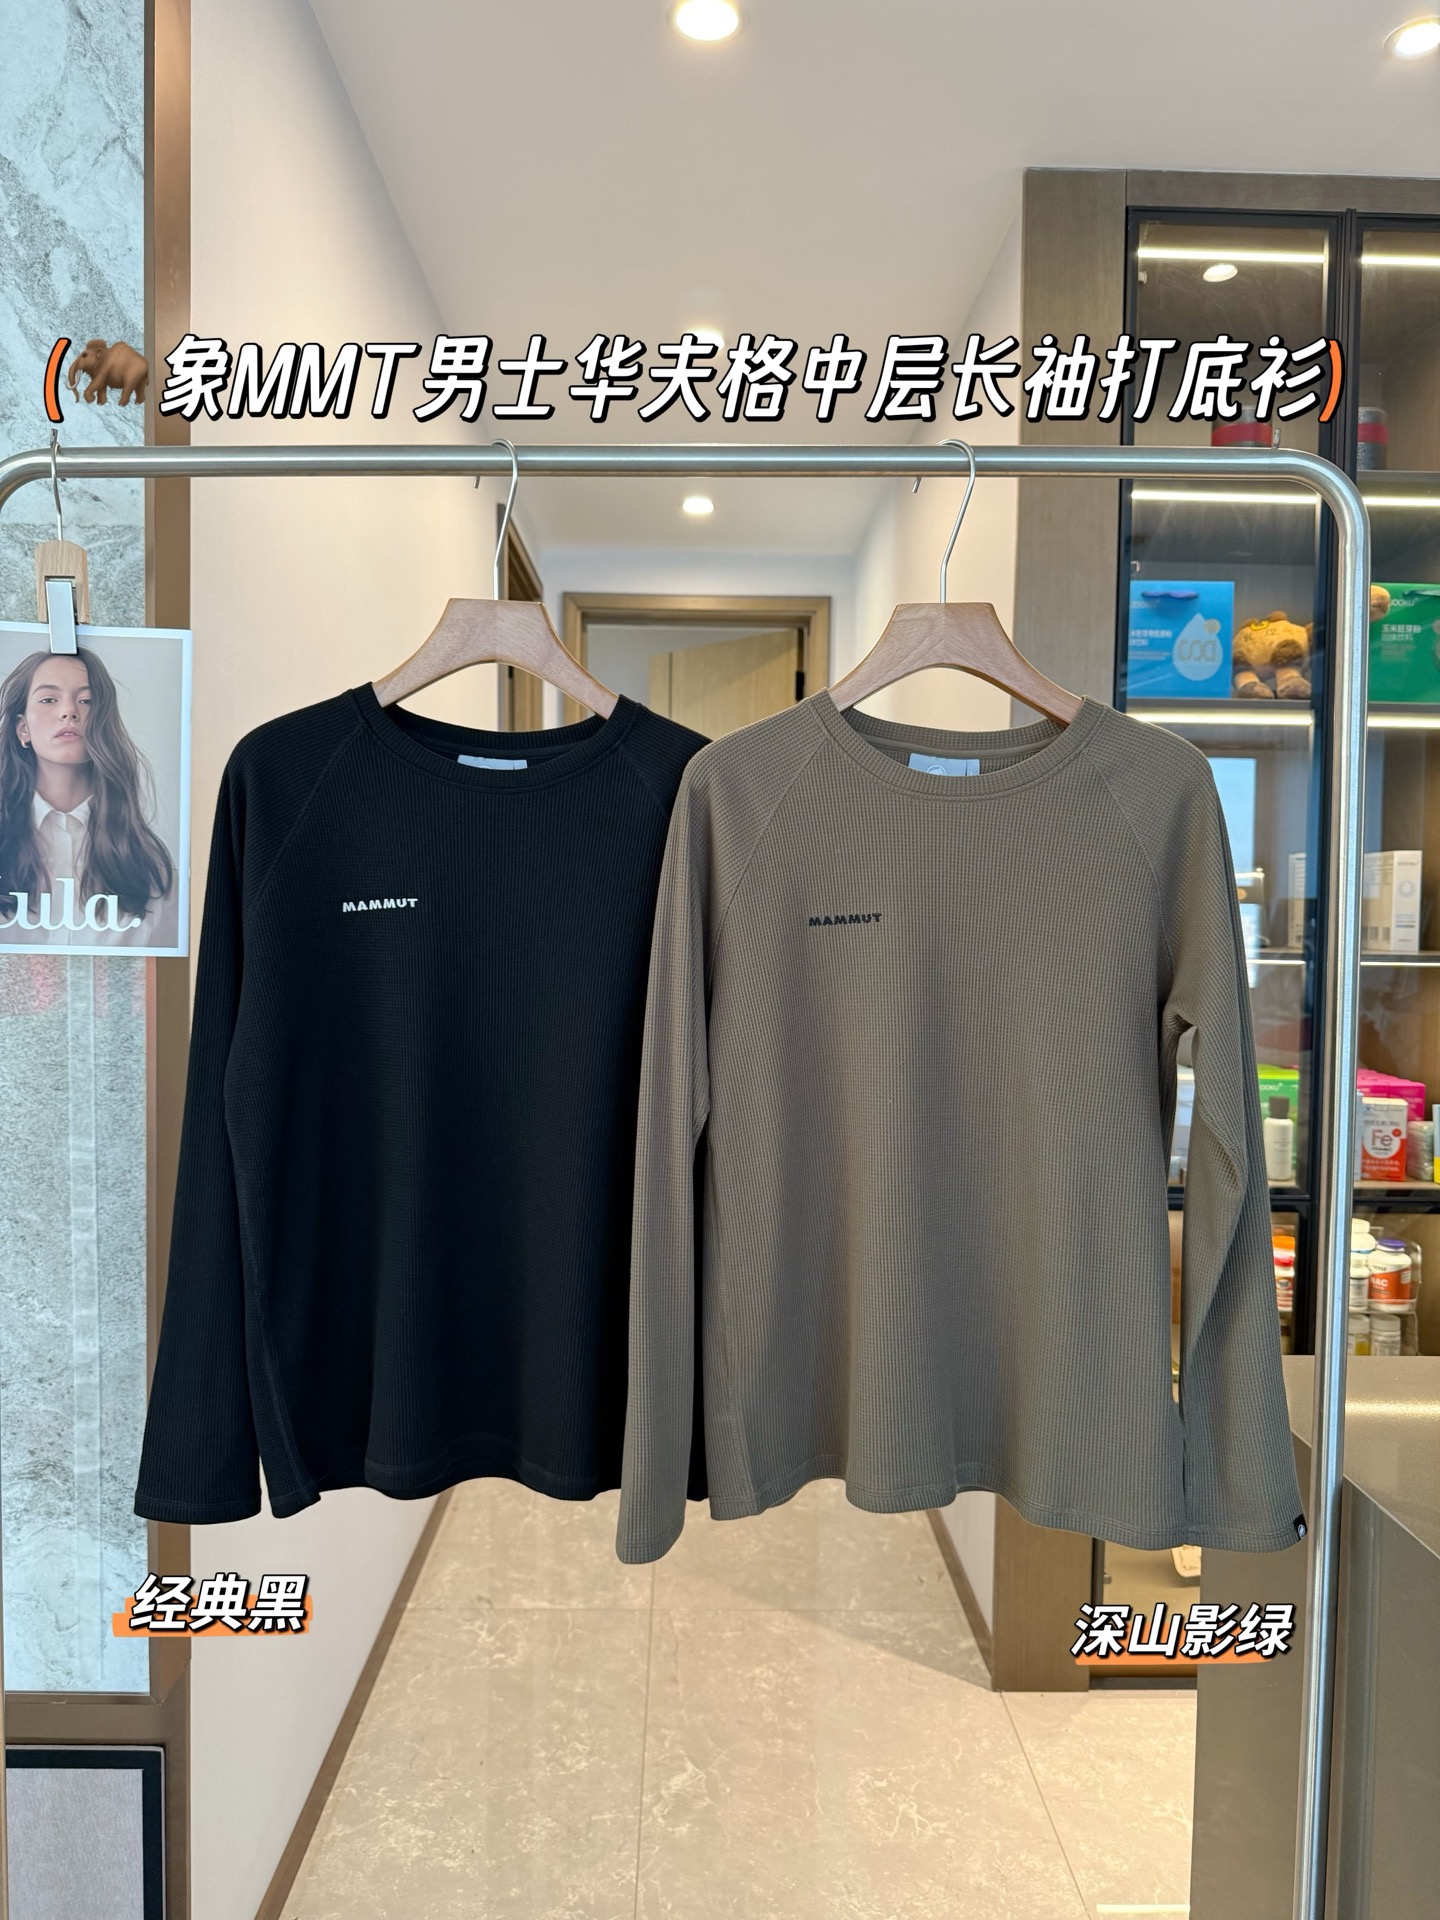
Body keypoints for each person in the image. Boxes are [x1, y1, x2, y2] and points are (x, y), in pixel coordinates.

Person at [0, 647, 176, 948]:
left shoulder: (151, 867)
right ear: (22, 728)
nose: (69, 711)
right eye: (49, 700)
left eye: (86, 700)